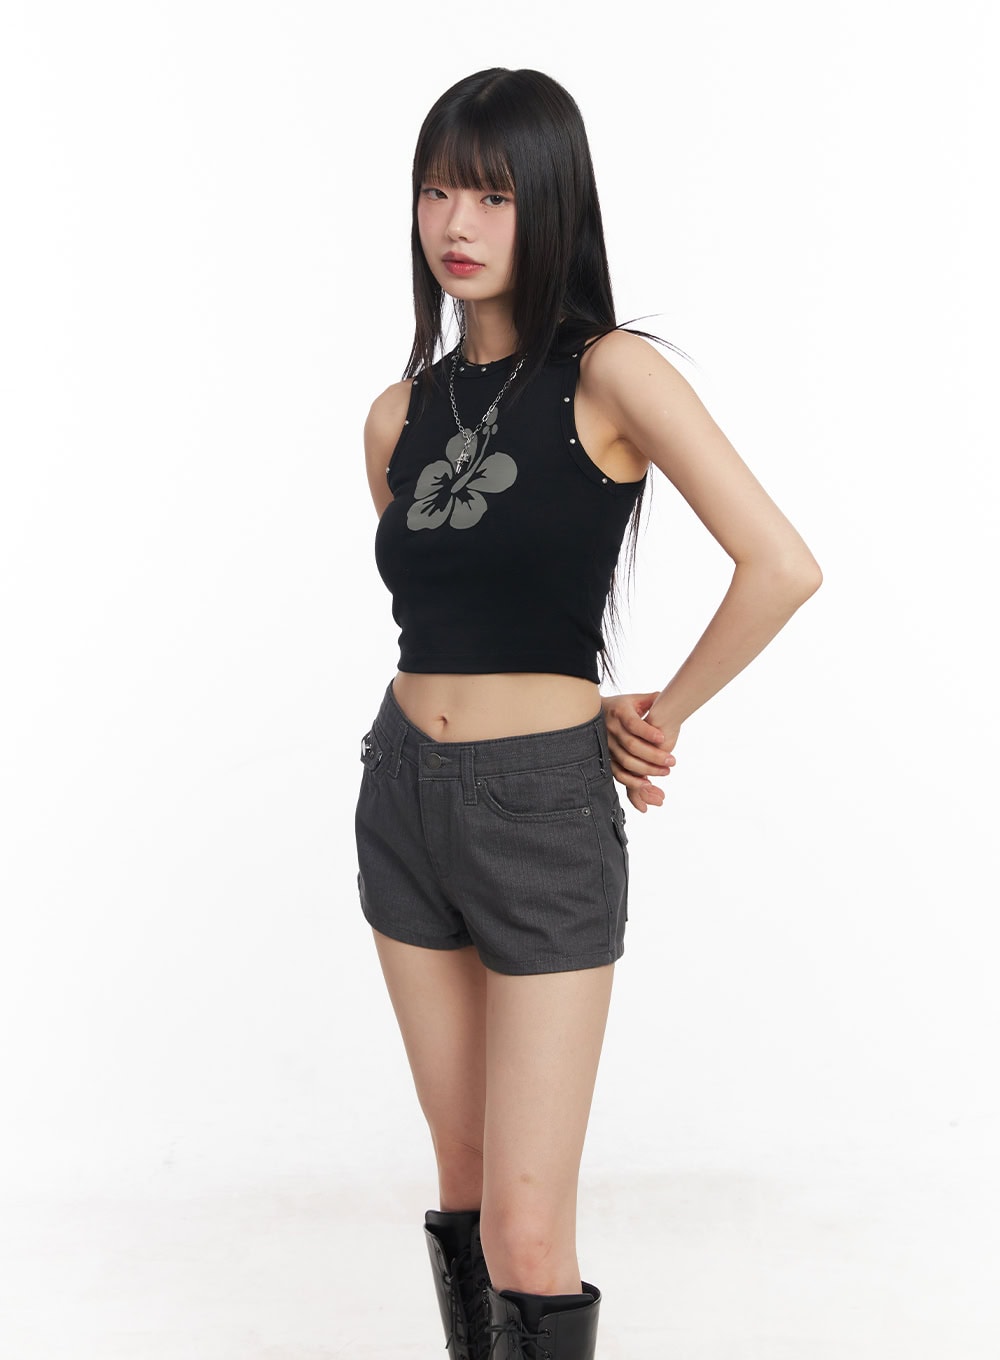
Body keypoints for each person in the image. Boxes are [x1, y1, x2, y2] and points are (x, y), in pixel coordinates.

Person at [356, 67, 822, 1360]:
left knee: (527, 1229)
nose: (457, 223)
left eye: (493, 196)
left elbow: (781, 564)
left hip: (541, 811)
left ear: (551, 202)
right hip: (401, 798)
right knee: (462, 1184)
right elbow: (464, 608)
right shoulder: (397, 417)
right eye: (436, 191)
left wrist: (663, 710)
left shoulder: (612, 374)